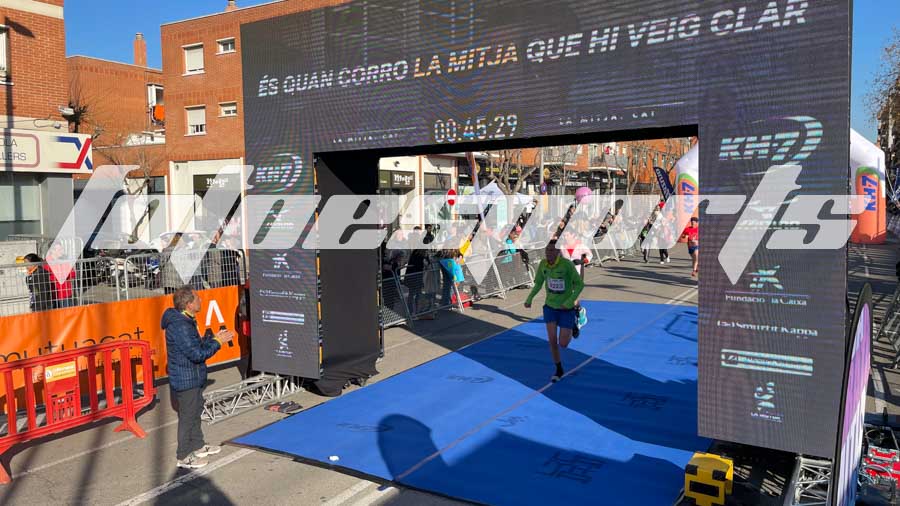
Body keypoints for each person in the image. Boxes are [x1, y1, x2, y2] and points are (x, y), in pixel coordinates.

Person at [162, 285, 234, 470]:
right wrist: (218, 343)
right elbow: (197, 354)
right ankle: (183, 456)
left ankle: (198, 445)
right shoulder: (180, 325)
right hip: (186, 379)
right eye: (197, 299)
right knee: (187, 417)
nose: (201, 300)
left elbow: (196, 345)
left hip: (193, 376)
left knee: (195, 413)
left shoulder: (186, 320)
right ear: (189, 304)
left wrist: (214, 338)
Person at [524, 240, 584, 382]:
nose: (548, 253)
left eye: (551, 250)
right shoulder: (543, 264)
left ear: (558, 252)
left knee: (563, 344)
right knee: (552, 341)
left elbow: (579, 284)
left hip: (566, 309)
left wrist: (569, 302)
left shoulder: (566, 265)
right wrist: (529, 298)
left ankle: (575, 321)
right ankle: (558, 369)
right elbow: (538, 283)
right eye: (547, 251)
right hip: (550, 307)